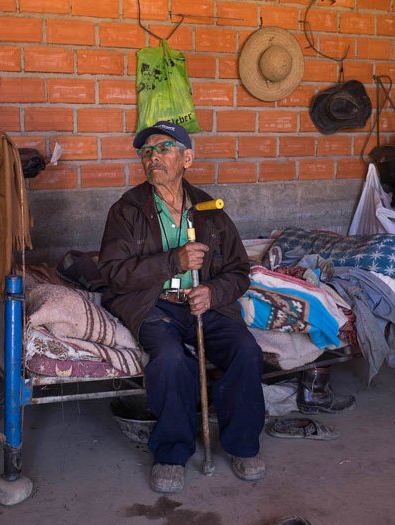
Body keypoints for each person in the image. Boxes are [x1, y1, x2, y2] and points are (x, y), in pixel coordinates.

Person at [98, 121, 266, 494]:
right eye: (146, 152)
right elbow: (112, 273)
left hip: (204, 305)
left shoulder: (210, 211)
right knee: (171, 360)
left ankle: (243, 445)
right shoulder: (126, 211)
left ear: (187, 158)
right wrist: (173, 261)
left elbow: (239, 271)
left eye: (163, 149)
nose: (152, 157)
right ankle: (172, 453)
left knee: (245, 350)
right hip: (153, 305)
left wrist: (213, 291)